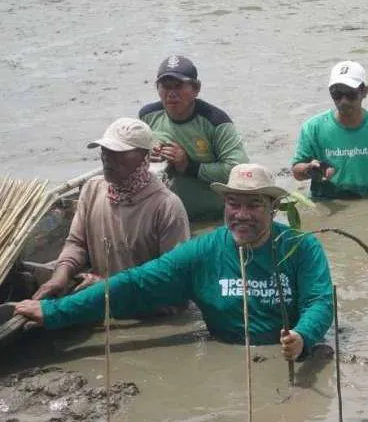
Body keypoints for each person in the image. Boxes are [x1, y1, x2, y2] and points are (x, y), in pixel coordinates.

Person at [15, 164, 333, 361]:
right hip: (227, 350)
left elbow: (319, 302)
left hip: (290, 354)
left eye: (254, 205)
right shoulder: (202, 252)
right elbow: (134, 284)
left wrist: (302, 337)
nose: (241, 215)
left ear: (274, 207)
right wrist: (55, 312)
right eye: (233, 204)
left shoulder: (301, 247)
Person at [31, 118, 190, 305]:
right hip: (101, 298)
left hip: (147, 304)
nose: (107, 157)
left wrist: (107, 288)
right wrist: (60, 275)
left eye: (118, 152)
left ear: (143, 157)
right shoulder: (92, 190)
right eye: (105, 150)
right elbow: (77, 244)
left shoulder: (167, 206)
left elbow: (173, 282)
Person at [139, 54, 249, 221]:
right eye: (166, 86)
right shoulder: (147, 117)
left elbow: (239, 171)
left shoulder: (216, 122)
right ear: (157, 88)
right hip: (166, 218)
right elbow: (130, 161)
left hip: (213, 217)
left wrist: (188, 166)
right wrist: (145, 157)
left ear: (196, 89)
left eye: (178, 86)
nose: (172, 93)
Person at [291, 60, 368, 200]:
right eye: (337, 94)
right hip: (327, 202)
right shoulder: (313, 128)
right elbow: (296, 171)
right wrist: (309, 169)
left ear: (364, 91)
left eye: (350, 94)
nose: (343, 101)